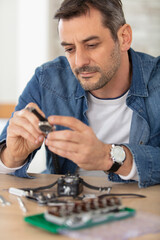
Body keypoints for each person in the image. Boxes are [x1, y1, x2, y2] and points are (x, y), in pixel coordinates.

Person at [0, 0, 160, 188]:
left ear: (124, 37)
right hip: (65, 209)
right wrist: (12, 156)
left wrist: (109, 157)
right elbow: (6, 163)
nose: (79, 61)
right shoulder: (47, 79)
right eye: (69, 49)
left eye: (91, 45)